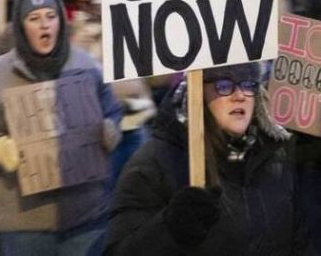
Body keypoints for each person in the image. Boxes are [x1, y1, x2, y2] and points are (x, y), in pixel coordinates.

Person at [0, 0, 121, 254]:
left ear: (61, 22)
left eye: (51, 16)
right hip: (25, 223)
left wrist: (109, 129)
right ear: (21, 27)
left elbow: (112, 110)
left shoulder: (86, 65)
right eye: (34, 18)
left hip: (85, 216)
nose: (45, 25)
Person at [105, 62, 305, 255]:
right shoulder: (154, 163)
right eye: (224, 86)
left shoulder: (275, 153)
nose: (240, 95)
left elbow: (299, 237)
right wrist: (168, 230)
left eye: (248, 84)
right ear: (197, 92)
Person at [61, 0, 156, 182]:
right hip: (104, 127)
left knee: (140, 185)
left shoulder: (130, 27)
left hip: (135, 120)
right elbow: (78, 72)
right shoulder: (80, 30)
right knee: (109, 187)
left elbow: (146, 76)